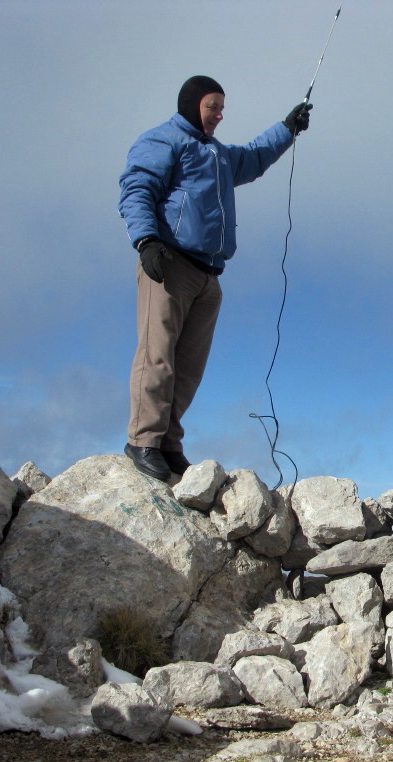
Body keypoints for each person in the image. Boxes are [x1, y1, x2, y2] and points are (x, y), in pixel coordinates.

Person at [118, 75, 312, 480]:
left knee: (189, 367)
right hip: (168, 263)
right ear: (192, 104)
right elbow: (136, 188)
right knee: (157, 356)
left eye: (222, 108)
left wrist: (287, 126)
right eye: (212, 107)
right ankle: (143, 441)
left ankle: (168, 443)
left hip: (209, 273)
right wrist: (146, 241)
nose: (219, 115)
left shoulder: (219, 155)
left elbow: (255, 157)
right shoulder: (164, 140)